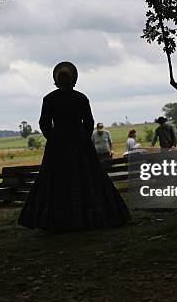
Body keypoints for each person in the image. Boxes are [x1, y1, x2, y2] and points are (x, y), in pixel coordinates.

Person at [18, 61, 131, 231]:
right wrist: (83, 139)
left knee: (56, 182)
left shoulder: (49, 99)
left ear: (57, 80)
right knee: (88, 179)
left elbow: (44, 124)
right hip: (80, 145)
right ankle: (92, 218)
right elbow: (89, 122)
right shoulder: (81, 98)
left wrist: (54, 139)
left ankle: (57, 221)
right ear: (73, 80)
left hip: (58, 146)